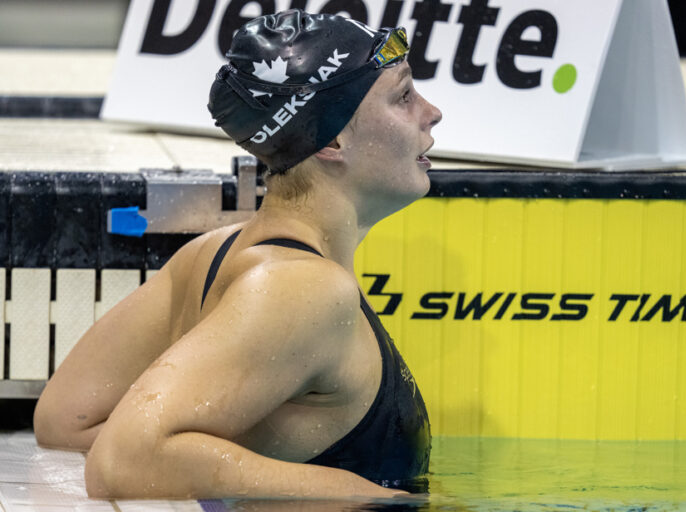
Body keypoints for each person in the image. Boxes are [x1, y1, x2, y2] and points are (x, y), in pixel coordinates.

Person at [32, 9, 442, 500]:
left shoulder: (212, 255)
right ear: (333, 138)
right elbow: (122, 459)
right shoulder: (304, 289)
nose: (431, 111)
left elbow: (66, 419)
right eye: (403, 95)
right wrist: (364, 494)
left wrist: (216, 452)